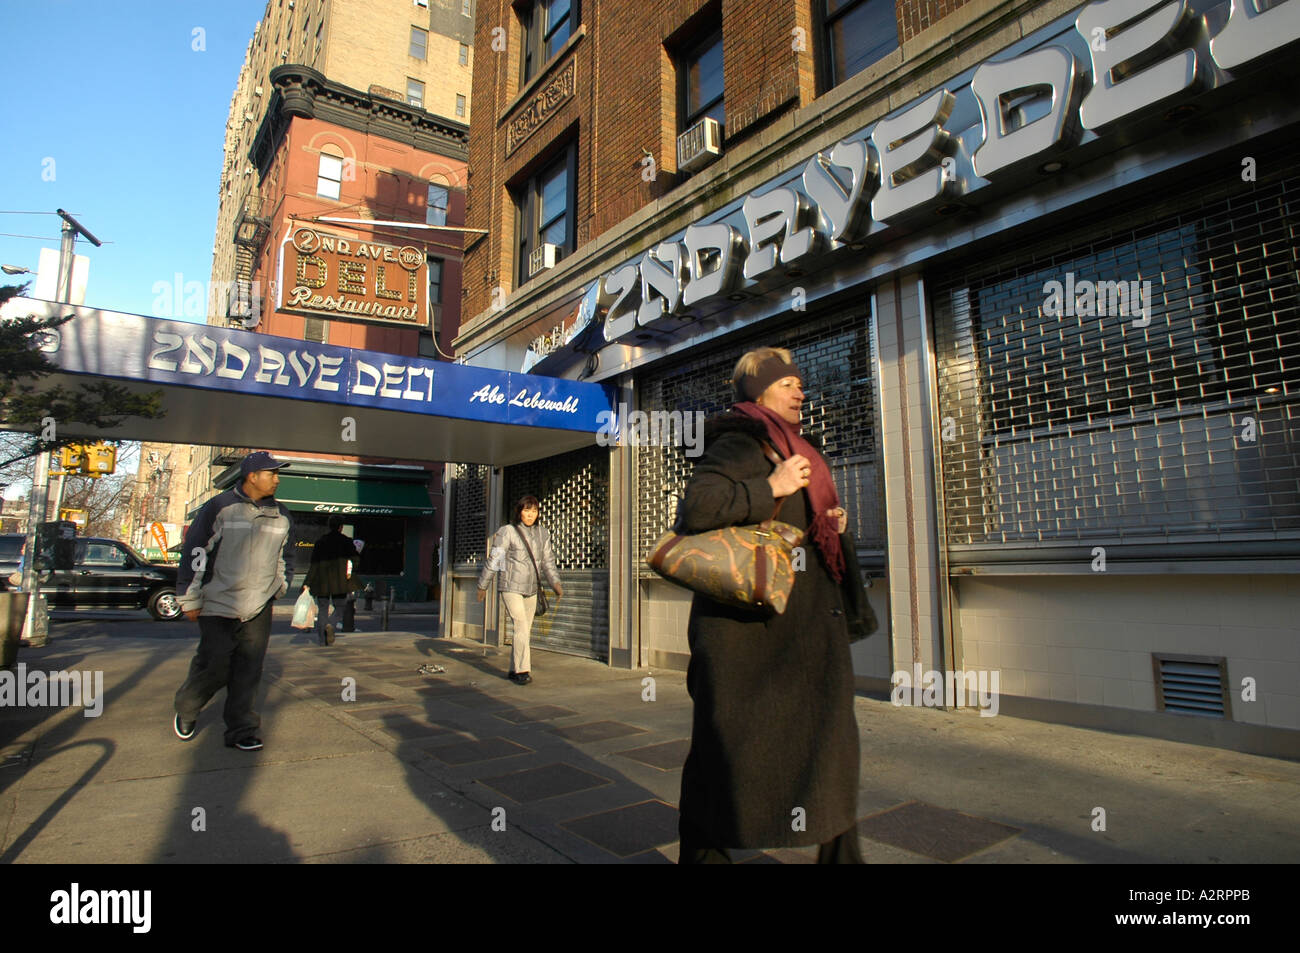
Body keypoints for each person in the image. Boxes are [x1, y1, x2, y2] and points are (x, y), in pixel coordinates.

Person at [676, 346, 866, 863]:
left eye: (801, 383)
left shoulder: (797, 445)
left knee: (831, 746)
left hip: (804, 632)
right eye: (788, 384)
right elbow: (697, 510)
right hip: (748, 639)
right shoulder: (740, 441)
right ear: (760, 391)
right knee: (725, 755)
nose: (801, 391)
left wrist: (832, 525)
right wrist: (772, 486)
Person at [172, 451, 293, 751]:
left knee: (249, 669)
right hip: (217, 602)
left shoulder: (283, 515)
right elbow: (195, 551)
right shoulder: (220, 507)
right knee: (215, 665)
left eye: (278, 474)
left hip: (259, 604)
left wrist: (280, 585)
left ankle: (242, 729)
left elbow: (285, 556)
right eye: (271, 473)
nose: (277, 479)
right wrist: (189, 597)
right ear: (252, 476)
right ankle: (188, 707)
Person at [476, 495, 563, 685]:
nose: (530, 515)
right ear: (519, 511)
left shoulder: (543, 533)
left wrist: (556, 583)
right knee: (521, 625)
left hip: (532, 588)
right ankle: (523, 670)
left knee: (525, 629)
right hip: (510, 586)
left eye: (534, 511)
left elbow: (548, 562)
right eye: (527, 510)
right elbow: (496, 559)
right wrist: (483, 584)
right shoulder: (507, 531)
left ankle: (513, 668)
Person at [304, 515, 360, 645]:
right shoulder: (346, 541)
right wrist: (351, 571)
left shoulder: (320, 541)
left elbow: (314, 564)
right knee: (340, 607)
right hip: (339, 581)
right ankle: (331, 624)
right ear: (341, 527)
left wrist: (307, 583)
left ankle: (322, 640)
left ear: (329, 526)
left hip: (322, 581)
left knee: (322, 609)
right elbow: (355, 560)